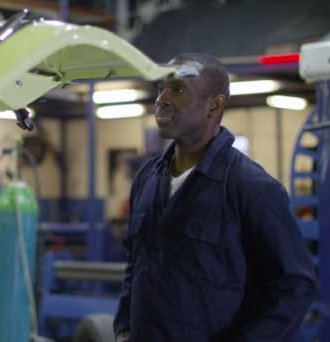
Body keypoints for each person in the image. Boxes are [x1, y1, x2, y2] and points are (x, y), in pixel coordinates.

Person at [113, 53, 317, 341]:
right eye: (161, 88)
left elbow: (294, 286)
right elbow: (136, 262)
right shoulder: (147, 177)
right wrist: (124, 326)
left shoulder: (252, 187)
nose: (162, 99)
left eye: (178, 89)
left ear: (215, 105)